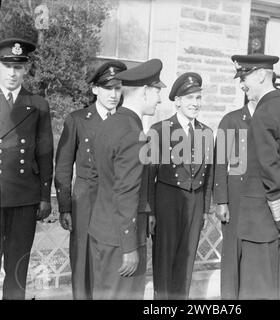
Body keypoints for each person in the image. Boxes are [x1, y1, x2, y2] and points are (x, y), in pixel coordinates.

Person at [88, 59, 165, 299]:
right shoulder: (133, 134)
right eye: (157, 91)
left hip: (102, 232)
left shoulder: (109, 124)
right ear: (144, 91)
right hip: (121, 241)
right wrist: (130, 246)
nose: (160, 99)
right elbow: (126, 193)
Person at [54, 60, 127, 299]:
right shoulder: (77, 119)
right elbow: (63, 167)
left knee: (112, 263)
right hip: (85, 204)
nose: (113, 95)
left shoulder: (127, 121)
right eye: (108, 88)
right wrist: (65, 207)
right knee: (83, 261)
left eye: (118, 88)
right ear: (95, 89)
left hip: (115, 204)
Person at [232, 53, 280, 299]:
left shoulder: (263, 114)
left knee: (256, 289)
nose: (242, 84)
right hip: (277, 219)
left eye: (245, 77)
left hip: (261, 221)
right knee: (272, 287)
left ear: (262, 75)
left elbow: (271, 172)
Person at [149, 72, 214, 300]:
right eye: (189, 99)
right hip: (167, 200)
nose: (195, 104)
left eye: (198, 98)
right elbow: (150, 176)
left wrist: (205, 209)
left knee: (187, 262)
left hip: (195, 203)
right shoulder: (159, 130)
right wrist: (151, 211)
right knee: (164, 260)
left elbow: (209, 175)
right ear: (177, 101)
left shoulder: (206, 133)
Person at [0, 38, 53, 299]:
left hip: (24, 197)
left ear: (25, 70)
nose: (12, 73)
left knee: (17, 267)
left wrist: (45, 196)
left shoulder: (38, 104)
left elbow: (45, 153)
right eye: (7, 66)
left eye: (18, 67)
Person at [213, 101, 251, 299]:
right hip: (235, 197)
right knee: (232, 255)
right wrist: (221, 201)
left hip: (261, 199)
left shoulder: (271, 120)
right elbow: (220, 162)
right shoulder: (232, 120)